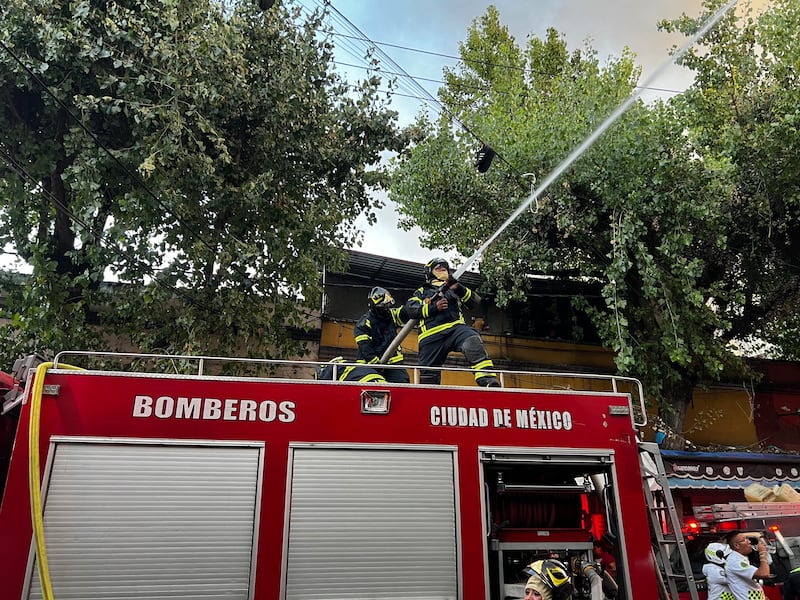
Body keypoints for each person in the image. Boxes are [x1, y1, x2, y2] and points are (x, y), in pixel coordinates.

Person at [404, 257, 500, 387]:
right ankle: (429, 398)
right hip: (431, 336)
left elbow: (475, 302)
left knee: (472, 340)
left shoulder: (453, 288)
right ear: (429, 272)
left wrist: (459, 288)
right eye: (438, 268)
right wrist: (434, 307)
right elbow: (411, 309)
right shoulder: (422, 291)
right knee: (429, 375)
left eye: (445, 268)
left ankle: (488, 381)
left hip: (456, 330)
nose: (442, 270)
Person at [353, 286, 410, 383]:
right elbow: (365, 348)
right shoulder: (363, 324)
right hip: (369, 365)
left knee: (402, 385)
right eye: (383, 306)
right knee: (373, 389)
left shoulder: (392, 315)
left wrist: (414, 307)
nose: (386, 309)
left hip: (393, 362)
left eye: (387, 305)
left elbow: (404, 313)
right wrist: (376, 364)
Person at [725, 530, 770, 600]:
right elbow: (764, 574)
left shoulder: (740, 558)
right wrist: (762, 553)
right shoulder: (735, 561)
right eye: (744, 540)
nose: (749, 542)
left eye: (747, 538)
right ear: (736, 546)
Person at [314, 357, 387, 383]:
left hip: (362, 382)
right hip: (380, 380)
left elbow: (325, 388)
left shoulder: (331, 367)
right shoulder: (349, 365)